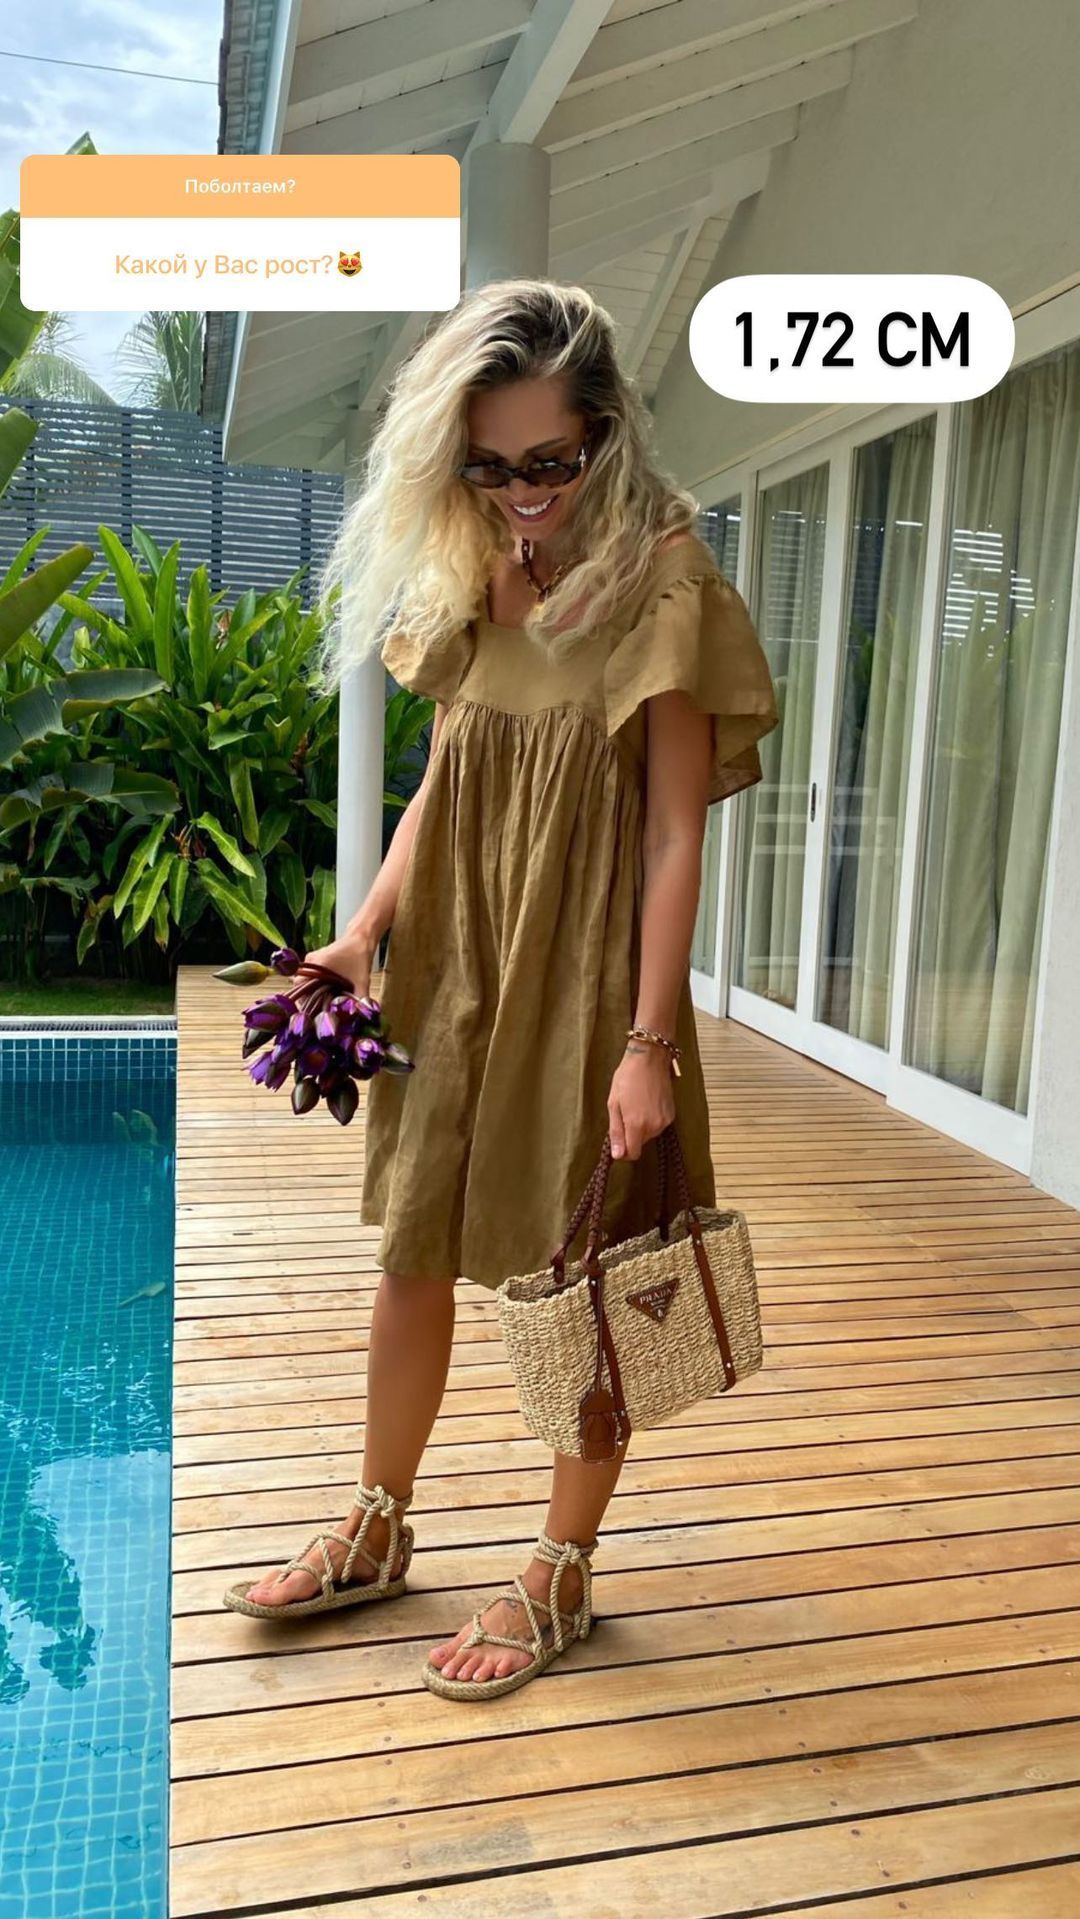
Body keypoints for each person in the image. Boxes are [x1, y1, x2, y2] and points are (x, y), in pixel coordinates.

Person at [222, 279, 779, 1701]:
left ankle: (560, 1568)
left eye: (550, 459)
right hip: (456, 960)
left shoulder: (665, 583)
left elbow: (674, 833)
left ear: (607, 431)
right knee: (413, 1246)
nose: (523, 490)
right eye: (487, 465)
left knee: (579, 1275)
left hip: (587, 970)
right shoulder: (480, 570)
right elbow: (449, 778)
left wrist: (650, 1043)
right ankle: (378, 1523)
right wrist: (364, 934)